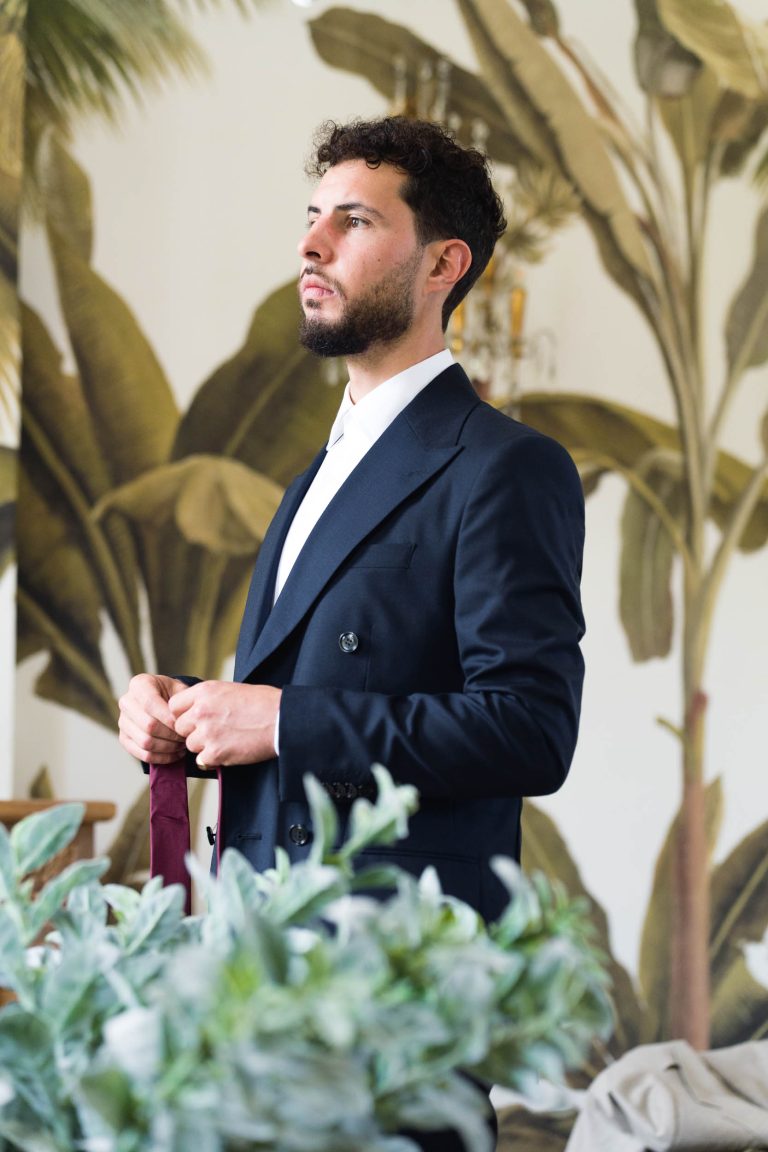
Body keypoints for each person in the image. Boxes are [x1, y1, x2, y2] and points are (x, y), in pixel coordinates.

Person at [118, 116, 586, 1150]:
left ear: (443, 263)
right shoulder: (310, 480)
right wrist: (185, 707)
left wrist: (283, 723)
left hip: (392, 993)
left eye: (354, 219)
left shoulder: (504, 466)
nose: (311, 244)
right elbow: (316, 686)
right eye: (311, 217)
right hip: (258, 974)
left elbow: (530, 729)